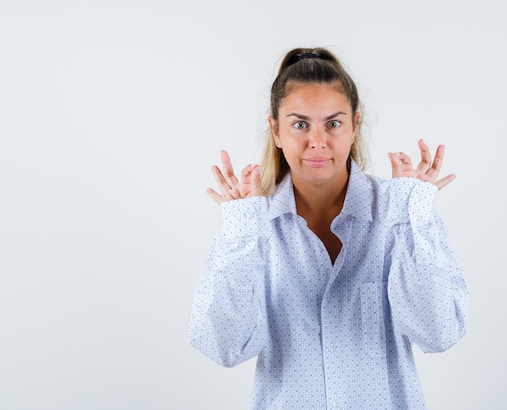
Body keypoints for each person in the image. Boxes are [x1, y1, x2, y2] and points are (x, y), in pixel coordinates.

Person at [189, 47, 469, 410]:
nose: (317, 141)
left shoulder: (398, 212)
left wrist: (409, 216)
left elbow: (439, 331)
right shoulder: (252, 225)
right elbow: (223, 347)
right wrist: (242, 232)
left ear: (355, 124)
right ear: (276, 130)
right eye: (300, 124)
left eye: (333, 123)